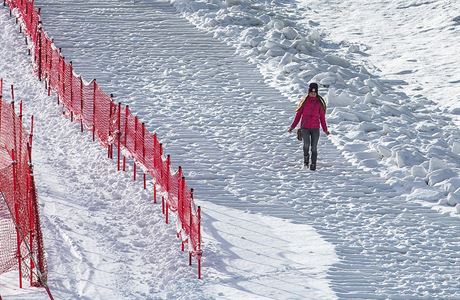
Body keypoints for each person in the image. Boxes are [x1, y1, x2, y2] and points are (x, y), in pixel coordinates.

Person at [288, 83, 330, 170]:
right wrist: (292, 127)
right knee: (306, 144)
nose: (313, 94)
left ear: (317, 92)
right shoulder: (304, 102)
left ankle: (313, 164)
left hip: (315, 128)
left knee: (314, 147)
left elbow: (322, 118)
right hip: (305, 128)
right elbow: (298, 116)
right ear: (309, 92)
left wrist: (325, 129)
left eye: (315, 92)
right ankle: (306, 161)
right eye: (311, 92)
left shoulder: (319, 104)